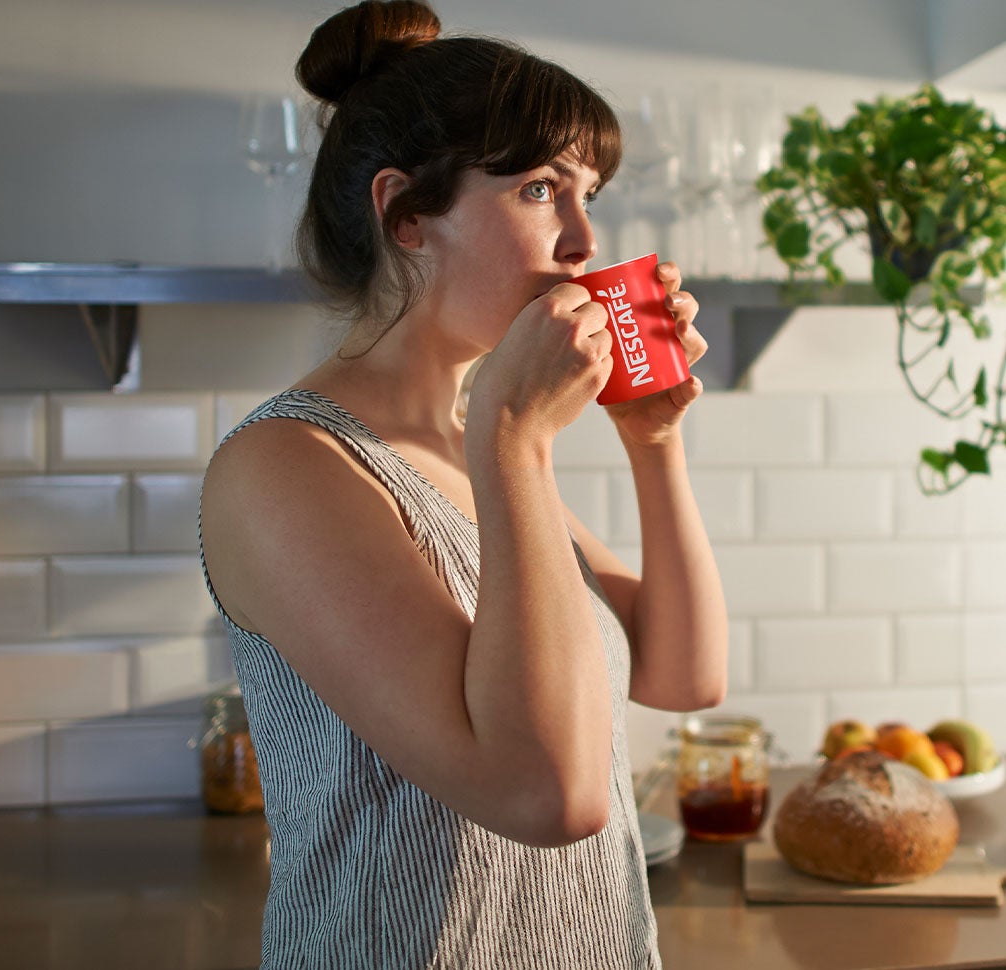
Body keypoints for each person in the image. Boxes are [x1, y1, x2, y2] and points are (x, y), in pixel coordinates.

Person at [199, 1, 728, 966]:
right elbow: (548, 796)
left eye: (590, 195)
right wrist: (516, 439)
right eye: (538, 190)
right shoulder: (286, 466)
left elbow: (682, 673)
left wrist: (654, 441)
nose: (582, 242)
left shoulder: (465, 442)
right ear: (406, 215)